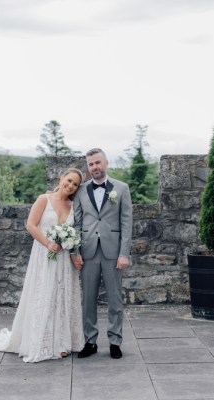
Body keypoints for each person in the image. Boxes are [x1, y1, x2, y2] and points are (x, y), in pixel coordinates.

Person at [0, 168, 85, 362]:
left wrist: (74, 255)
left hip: (63, 260)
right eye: (69, 180)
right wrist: (48, 244)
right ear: (61, 178)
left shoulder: (73, 206)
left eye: (75, 184)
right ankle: (43, 342)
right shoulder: (44, 199)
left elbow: (72, 235)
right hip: (44, 256)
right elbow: (30, 225)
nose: (71, 186)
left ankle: (62, 343)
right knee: (44, 295)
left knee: (62, 297)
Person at [72, 148, 133, 359]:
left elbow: (126, 223)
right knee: (87, 300)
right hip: (88, 251)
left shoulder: (122, 188)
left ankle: (115, 341)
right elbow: (77, 223)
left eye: (98, 162)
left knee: (115, 299)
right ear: (87, 168)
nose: (94, 167)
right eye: (90, 164)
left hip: (113, 252)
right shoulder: (80, 190)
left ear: (106, 163)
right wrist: (75, 251)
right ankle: (90, 342)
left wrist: (124, 253)